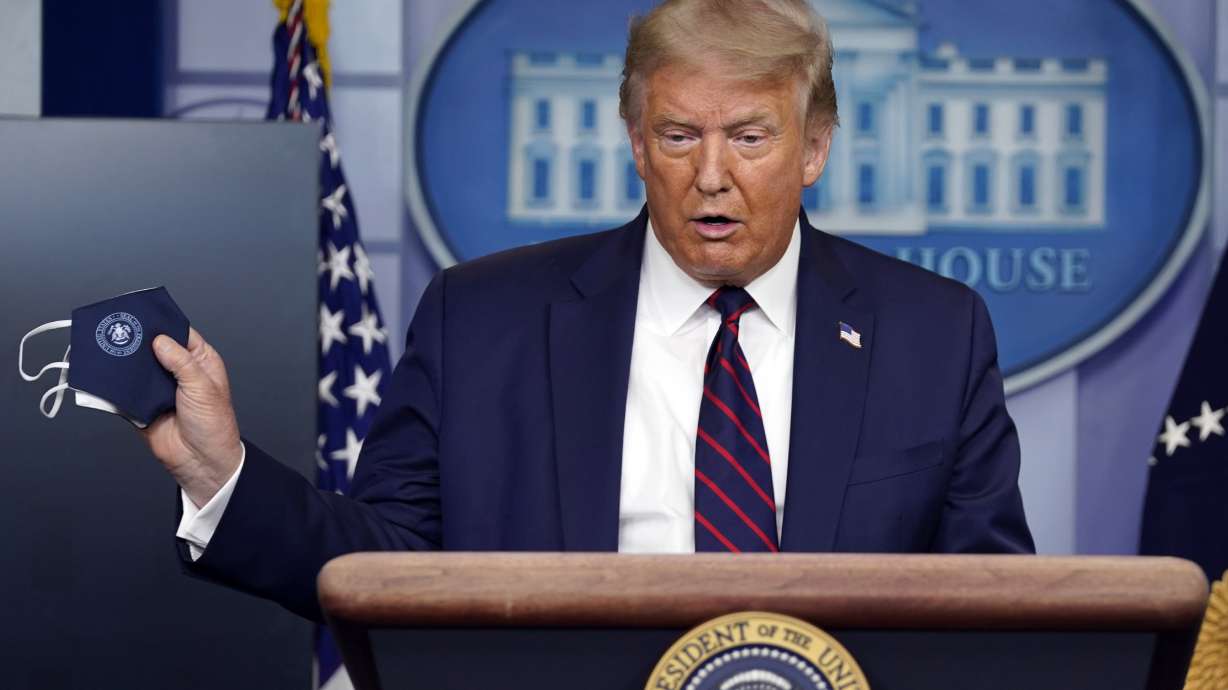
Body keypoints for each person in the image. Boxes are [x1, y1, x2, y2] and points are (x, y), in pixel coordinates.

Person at [145, 0, 1033, 623]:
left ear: (815, 148)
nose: (712, 174)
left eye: (752, 137)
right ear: (637, 143)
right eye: (680, 135)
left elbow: (994, 604)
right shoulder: (484, 320)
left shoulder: (933, 333)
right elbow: (385, 566)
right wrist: (223, 474)